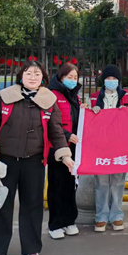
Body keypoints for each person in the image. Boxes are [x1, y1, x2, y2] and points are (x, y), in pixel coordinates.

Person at [0, 61, 74, 255]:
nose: (33, 77)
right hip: (5, 161)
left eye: (37, 74)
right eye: (28, 73)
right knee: (0, 206)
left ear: (43, 78)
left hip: (34, 162)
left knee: (32, 206)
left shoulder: (48, 101)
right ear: (21, 76)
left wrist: (65, 156)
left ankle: (31, 249)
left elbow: (56, 132)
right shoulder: (5, 98)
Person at [90, 64, 128, 232]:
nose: (111, 81)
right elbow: (87, 120)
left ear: (119, 80)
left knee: (117, 182)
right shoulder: (94, 98)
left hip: (120, 145)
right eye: (108, 78)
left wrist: (127, 113)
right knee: (101, 182)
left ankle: (116, 216)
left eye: (114, 78)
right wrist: (92, 112)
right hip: (100, 145)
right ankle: (101, 216)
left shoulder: (127, 97)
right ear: (103, 80)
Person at [46, 63, 81, 239]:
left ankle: (69, 221)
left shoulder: (74, 96)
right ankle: (55, 224)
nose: (73, 80)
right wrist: (66, 135)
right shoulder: (52, 95)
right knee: (56, 186)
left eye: (75, 77)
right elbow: (50, 122)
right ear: (61, 77)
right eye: (69, 77)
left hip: (73, 148)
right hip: (57, 147)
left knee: (70, 185)